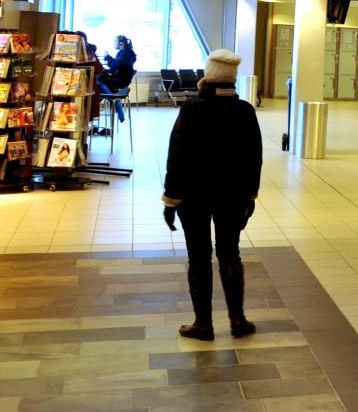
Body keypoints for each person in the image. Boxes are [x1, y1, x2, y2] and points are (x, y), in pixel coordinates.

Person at [161, 49, 263, 341]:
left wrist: (171, 200)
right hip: (233, 196)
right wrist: (250, 195)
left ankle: (203, 324)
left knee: (199, 256)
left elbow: (177, 156)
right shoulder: (244, 110)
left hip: (193, 197)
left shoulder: (192, 109)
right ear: (232, 79)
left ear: (208, 76)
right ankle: (238, 320)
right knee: (230, 253)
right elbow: (254, 157)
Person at [98, 35, 137, 122]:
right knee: (102, 82)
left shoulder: (125, 53)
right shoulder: (125, 52)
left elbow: (116, 66)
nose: (114, 43)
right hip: (121, 79)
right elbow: (115, 67)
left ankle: (112, 102)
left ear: (121, 43)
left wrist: (108, 57)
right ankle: (118, 109)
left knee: (98, 82)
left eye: (115, 41)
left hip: (121, 80)